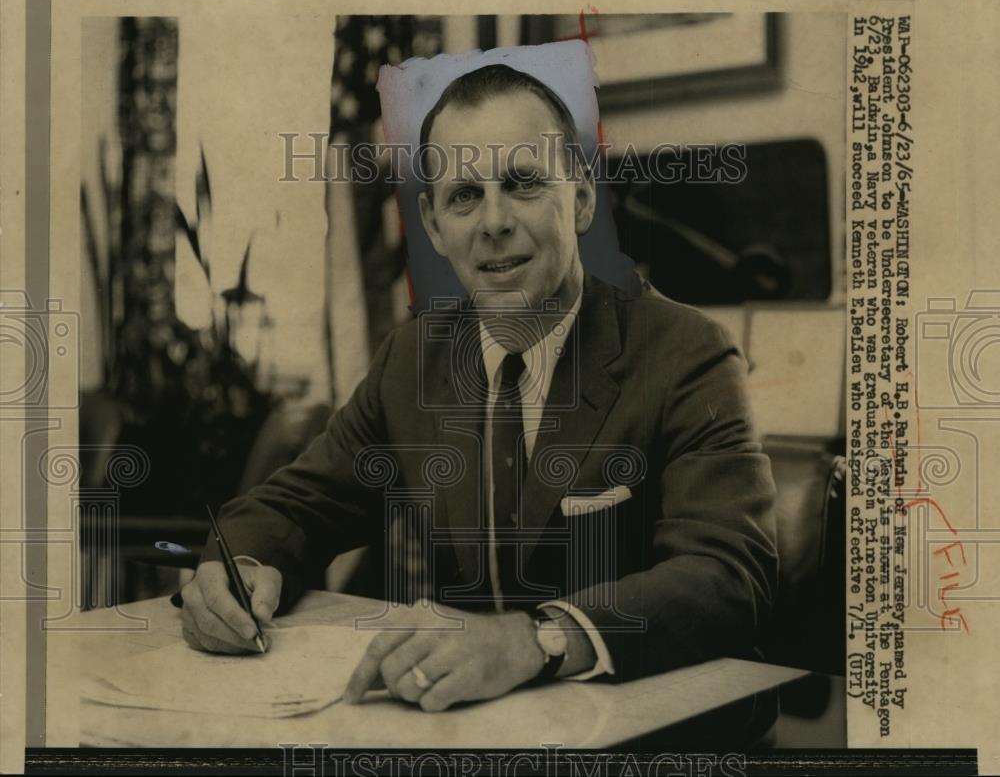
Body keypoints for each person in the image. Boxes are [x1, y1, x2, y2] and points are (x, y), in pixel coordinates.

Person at [179, 64, 778, 713]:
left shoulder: (688, 353)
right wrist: (237, 571)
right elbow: (292, 507)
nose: (493, 221)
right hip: (459, 730)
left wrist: (538, 639)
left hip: (638, 729)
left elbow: (728, 577)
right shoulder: (413, 359)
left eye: (522, 184)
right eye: (464, 196)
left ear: (580, 199)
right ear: (435, 228)